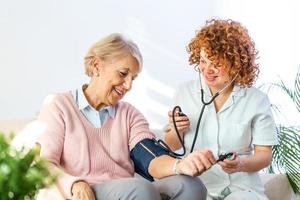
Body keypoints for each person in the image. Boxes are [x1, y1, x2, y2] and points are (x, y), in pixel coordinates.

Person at [35, 33, 215, 200]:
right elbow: (43, 164)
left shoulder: (129, 114)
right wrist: (75, 184)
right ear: (97, 66)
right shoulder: (59, 105)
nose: (128, 85)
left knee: (190, 185)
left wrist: (180, 166)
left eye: (133, 78)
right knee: (141, 189)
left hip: (127, 191)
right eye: (123, 73)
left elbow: (148, 156)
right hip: (85, 192)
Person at [164, 19, 278, 200]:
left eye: (216, 63)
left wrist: (240, 164)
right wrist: (178, 129)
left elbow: (264, 155)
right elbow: (171, 145)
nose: (207, 70)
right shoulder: (184, 92)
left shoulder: (256, 100)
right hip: (196, 186)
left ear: (236, 63)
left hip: (242, 188)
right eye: (203, 61)